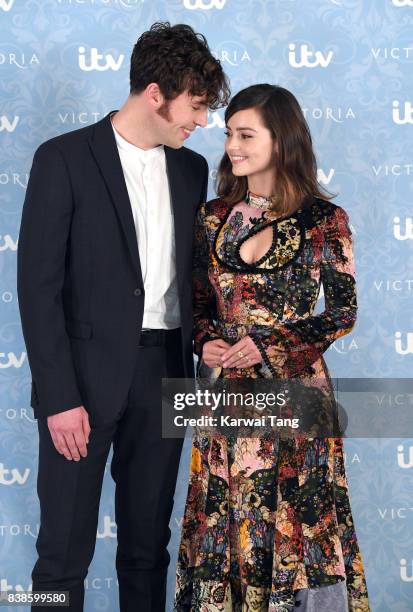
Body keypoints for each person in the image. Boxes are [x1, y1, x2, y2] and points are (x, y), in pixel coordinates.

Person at [17, 21, 230, 612]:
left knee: (147, 547)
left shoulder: (190, 171)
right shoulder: (62, 159)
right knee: (62, 551)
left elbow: (197, 283)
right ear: (155, 93)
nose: (202, 122)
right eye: (195, 106)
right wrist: (59, 397)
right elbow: (38, 291)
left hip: (167, 375)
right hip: (82, 382)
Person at [174, 84, 370, 611]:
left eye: (245, 135)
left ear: (280, 140)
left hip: (296, 397)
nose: (232, 146)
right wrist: (207, 341)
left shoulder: (325, 220)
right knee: (224, 514)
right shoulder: (213, 216)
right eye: (228, 134)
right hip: (225, 401)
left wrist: (269, 345)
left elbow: (342, 313)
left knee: (297, 521)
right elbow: (197, 303)